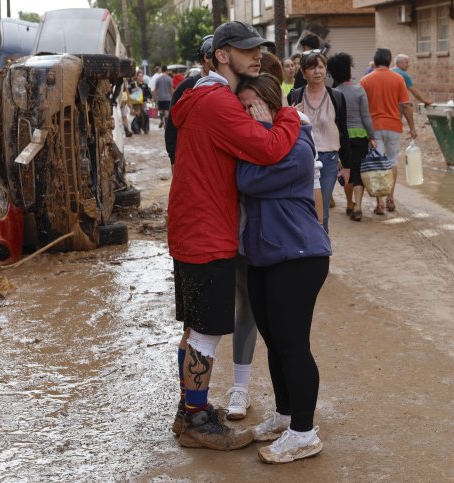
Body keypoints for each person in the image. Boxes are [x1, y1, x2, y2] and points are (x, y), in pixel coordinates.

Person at [168, 20, 301, 451]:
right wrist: (287, 116)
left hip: (193, 227)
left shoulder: (198, 96)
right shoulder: (219, 102)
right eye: (246, 50)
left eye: (257, 48)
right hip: (208, 230)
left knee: (194, 329)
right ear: (222, 55)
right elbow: (268, 149)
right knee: (205, 332)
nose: (256, 55)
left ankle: (192, 410)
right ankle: (195, 422)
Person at [235, 73, 332, 464]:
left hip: (299, 256)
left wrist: (260, 130)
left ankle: (304, 433)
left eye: (253, 106)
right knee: (275, 343)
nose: (246, 113)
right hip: (263, 256)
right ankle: (286, 416)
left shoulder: (298, 146)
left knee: (293, 346)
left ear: (272, 106)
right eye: (241, 106)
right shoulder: (259, 143)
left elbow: (247, 179)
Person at [287, 51, 351, 232]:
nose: (317, 71)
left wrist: (346, 166)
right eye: (312, 67)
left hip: (329, 160)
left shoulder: (336, 97)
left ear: (326, 70)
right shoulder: (295, 96)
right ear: (304, 72)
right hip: (302, 158)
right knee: (301, 206)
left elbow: (343, 131)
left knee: (321, 210)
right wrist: (291, 114)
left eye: (321, 67)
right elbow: (285, 130)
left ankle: (321, 251)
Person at [360, 48, 417, 214]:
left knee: (378, 162)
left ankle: (379, 203)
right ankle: (390, 198)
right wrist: (412, 128)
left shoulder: (365, 80)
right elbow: (406, 106)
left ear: (375, 60)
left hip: (373, 127)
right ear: (390, 61)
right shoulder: (398, 79)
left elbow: (361, 107)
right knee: (392, 161)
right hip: (394, 126)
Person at [327, 53, 376, 222]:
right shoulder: (358, 90)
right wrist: (372, 136)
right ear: (348, 71)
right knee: (357, 171)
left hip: (341, 138)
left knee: (346, 169)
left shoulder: (333, 93)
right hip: (360, 136)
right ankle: (359, 207)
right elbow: (366, 117)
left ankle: (349, 203)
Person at [165, 35, 213, 170]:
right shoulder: (187, 86)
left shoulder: (230, 84)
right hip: (192, 159)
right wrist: (173, 159)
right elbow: (172, 125)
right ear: (206, 57)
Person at [127, 70, 152, 134]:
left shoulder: (145, 85)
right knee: (138, 115)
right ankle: (136, 129)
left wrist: (147, 99)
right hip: (135, 103)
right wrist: (135, 90)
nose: (140, 77)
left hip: (143, 102)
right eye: (139, 76)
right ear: (137, 76)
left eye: (141, 76)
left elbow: (149, 94)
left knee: (145, 114)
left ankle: (146, 129)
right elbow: (128, 92)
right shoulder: (132, 84)